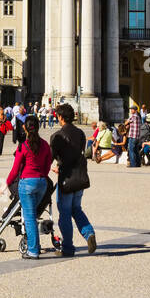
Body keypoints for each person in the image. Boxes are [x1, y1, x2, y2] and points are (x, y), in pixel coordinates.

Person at [49, 104, 97, 256]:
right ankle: (89, 233)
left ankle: (68, 248)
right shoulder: (81, 133)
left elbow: (52, 156)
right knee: (77, 209)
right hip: (80, 177)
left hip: (66, 179)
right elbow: (77, 153)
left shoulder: (56, 136)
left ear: (61, 117)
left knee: (64, 212)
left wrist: (58, 167)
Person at [6, 116, 53, 260]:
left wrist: (8, 183)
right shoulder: (45, 145)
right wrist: (42, 176)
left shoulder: (23, 146)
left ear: (25, 128)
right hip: (41, 182)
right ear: (38, 127)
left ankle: (33, 250)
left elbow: (15, 170)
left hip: (27, 183)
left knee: (30, 217)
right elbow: (48, 164)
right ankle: (35, 245)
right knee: (33, 215)